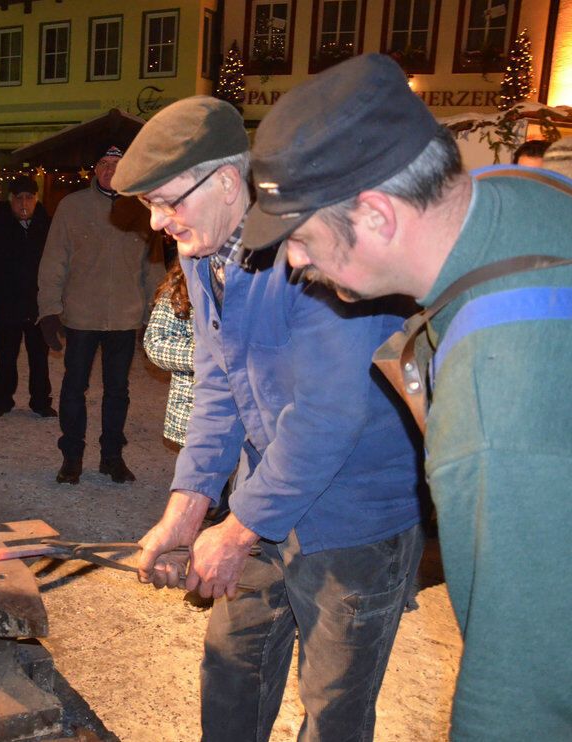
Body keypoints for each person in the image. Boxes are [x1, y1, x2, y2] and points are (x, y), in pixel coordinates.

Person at [241, 53, 572, 741]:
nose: (294, 262)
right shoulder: (520, 191)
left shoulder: (494, 400)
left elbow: (523, 692)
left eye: (300, 237)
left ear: (378, 215)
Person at [113, 95, 425, 741]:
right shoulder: (203, 258)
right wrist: (190, 503)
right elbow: (218, 384)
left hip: (357, 519)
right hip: (268, 496)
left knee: (333, 706)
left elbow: (329, 413)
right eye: (147, 205)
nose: (157, 223)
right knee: (232, 669)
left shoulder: (317, 251)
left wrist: (237, 530)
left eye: (169, 201)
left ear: (229, 181)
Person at [38, 144, 164, 484]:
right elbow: (53, 261)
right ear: (94, 169)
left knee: (117, 392)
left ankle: (112, 457)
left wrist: (155, 313)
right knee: (73, 389)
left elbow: (153, 267)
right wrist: (49, 310)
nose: (110, 170)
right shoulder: (72, 206)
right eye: (104, 163)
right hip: (81, 316)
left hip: (124, 318)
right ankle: (72, 457)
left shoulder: (143, 210)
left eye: (117, 164)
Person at [0, 174, 55, 417]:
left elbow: (62, 262)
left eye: (29, 198)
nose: (24, 203)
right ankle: (3, 400)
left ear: (36, 199)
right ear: (10, 200)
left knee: (39, 357)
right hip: (7, 306)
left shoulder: (48, 227)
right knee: (6, 356)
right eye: (19, 198)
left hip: (39, 305)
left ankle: (41, 402)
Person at [143, 260, 194, 448]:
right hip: (198, 406)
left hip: (253, 404)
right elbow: (156, 342)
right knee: (205, 472)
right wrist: (206, 355)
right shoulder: (182, 285)